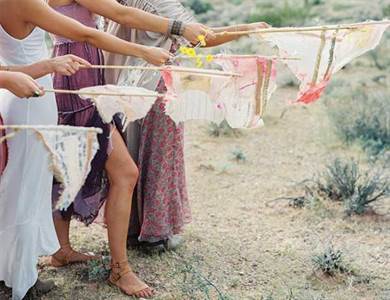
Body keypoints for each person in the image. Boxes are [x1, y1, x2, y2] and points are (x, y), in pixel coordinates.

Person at [0, 0, 171, 298]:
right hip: (35, 99)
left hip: (27, 93)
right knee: (25, 192)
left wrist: (42, 66)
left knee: (21, 189)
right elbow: (86, 33)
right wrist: (144, 51)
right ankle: (20, 280)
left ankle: (20, 271)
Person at [47, 0, 212, 297]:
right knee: (113, 171)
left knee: (76, 164)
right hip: (76, 72)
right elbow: (119, 13)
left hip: (80, 67)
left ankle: (64, 250)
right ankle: (118, 269)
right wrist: (176, 30)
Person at [104, 0, 269, 251]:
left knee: (131, 155)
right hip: (158, 84)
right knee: (160, 158)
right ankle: (155, 234)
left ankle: (132, 228)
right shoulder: (162, 3)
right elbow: (201, 38)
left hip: (124, 83)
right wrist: (246, 28)